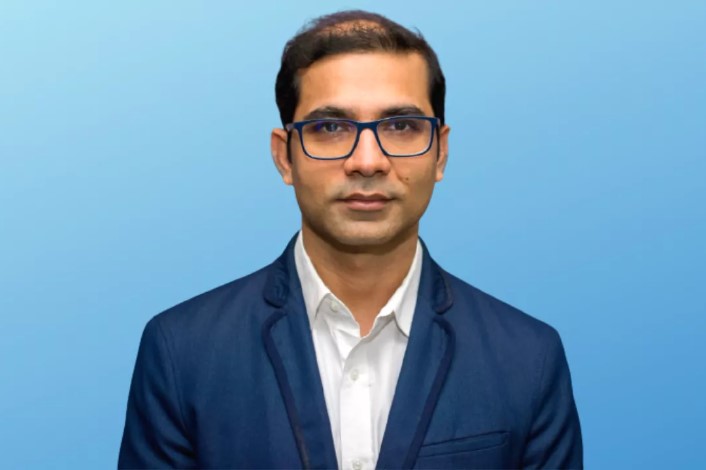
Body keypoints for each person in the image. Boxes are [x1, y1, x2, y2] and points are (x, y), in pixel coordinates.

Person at [118, 9, 582, 469]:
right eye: (330, 128)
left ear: (440, 152)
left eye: (400, 126)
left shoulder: (528, 358)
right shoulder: (183, 352)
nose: (367, 162)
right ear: (284, 157)